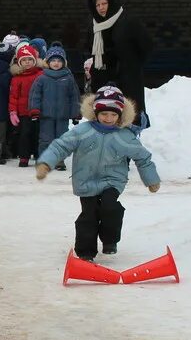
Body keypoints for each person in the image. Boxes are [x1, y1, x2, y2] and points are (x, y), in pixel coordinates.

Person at [36, 86, 160, 262]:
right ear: (95, 113)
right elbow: (60, 146)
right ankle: (85, 252)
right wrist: (46, 163)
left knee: (110, 208)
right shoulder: (82, 131)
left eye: (113, 115)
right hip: (85, 180)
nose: (108, 119)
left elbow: (143, 158)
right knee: (89, 215)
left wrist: (151, 180)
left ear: (120, 115)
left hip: (113, 180)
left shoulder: (124, 136)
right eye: (104, 114)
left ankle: (110, 240)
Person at [86, 0, 153, 127]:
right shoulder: (95, 26)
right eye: (97, 5)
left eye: (104, 3)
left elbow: (147, 45)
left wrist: (132, 66)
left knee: (128, 122)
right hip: (103, 83)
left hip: (127, 81)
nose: (101, 8)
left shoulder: (128, 21)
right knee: (106, 123)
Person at [29, 42, 80, 170]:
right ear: (48, 62)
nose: (56, 63)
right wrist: (35, 109)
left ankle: (59, 161)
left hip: (62, 115)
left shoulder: (68, 78)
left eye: (59, 60)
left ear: (64, 62)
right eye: (53, 60)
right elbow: (35, 95)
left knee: (62, 139)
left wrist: (76, 112)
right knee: (46, 139)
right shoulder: (42, 78)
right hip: (46, 115)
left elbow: (74, 96)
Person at [9, 44, 44, 167]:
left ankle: (38, 155)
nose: (27, 62)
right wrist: (13, 111)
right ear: (19, 62)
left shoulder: (41, 75)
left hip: (38, 110)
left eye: (30, 59)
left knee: (38, 134)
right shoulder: (17, 78)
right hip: (23, 112)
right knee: (24, 134)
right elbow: (13, 96)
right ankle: (24, 156)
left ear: (34, 60)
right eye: (24, 60)